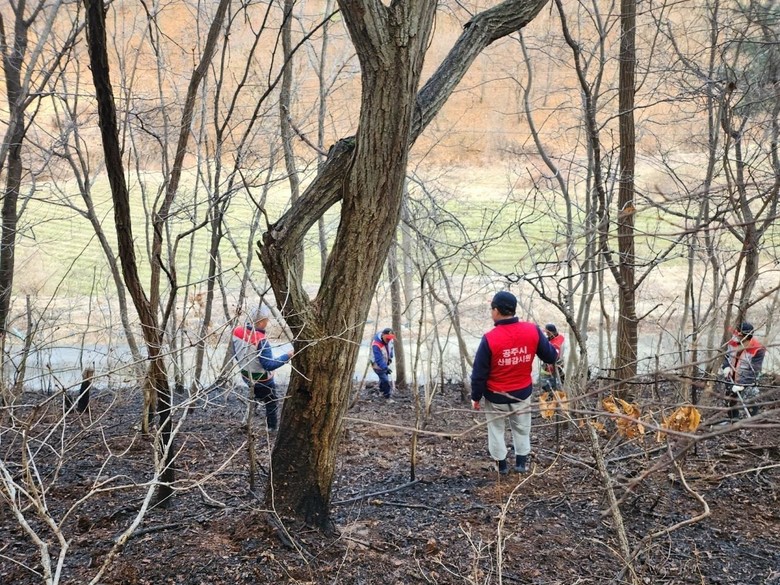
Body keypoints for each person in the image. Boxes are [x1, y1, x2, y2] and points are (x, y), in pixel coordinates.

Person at [471, 291, 558, 474]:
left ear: (496, 310)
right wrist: (554, 344)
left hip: (495, 396)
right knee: (522, 429)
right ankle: (520, 465)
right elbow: (550, 356)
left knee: (496, 431)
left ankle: (501, 467)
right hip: (522, 394)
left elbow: (479, 373)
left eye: (491, 309)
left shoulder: (489, 338)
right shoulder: (532, 330)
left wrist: (475, 397)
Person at [231, 305, 294, 430]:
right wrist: (287, 356)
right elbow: (269, 365)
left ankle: (247, 421)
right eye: (267, 319)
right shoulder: (261, 341)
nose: (268, 322)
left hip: (245, 375)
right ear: (260, 322)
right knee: (271, 402)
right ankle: (271, 428)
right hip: (263, 380)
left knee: (253, 396)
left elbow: (236, 354)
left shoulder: (237, 331)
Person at [720, 321, 765, 421]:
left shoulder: (758, 349)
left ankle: (754, 420)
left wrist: (742, 384)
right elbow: (726, 355)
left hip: (747, 378)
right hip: (731, 375)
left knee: (751, 398)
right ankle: (734, 420)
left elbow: (755, 370)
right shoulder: (732, 340)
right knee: (730, 398)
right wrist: (726, 367)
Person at [539, 323, 565, 394]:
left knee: (549, 381)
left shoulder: (557, 342)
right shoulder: (559, 337)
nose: (546, 334)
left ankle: (551, 393)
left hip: (553, 364)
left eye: (548, 333)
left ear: (552, 332)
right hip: (556, 364)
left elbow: (554, 355)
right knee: (556, 379)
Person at [371, 327, 395, 401]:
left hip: (385, 362)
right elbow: (378, 359)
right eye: (387, 338)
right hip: (377, 365)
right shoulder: (376, 344)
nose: (389, 339)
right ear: (383, 335)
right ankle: (387, 395)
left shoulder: (390, 340)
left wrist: (390, 357)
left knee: (383, 378)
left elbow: (391, 348)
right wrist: (385, 368)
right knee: (385, 380)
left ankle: (381, 389)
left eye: (390, 338)